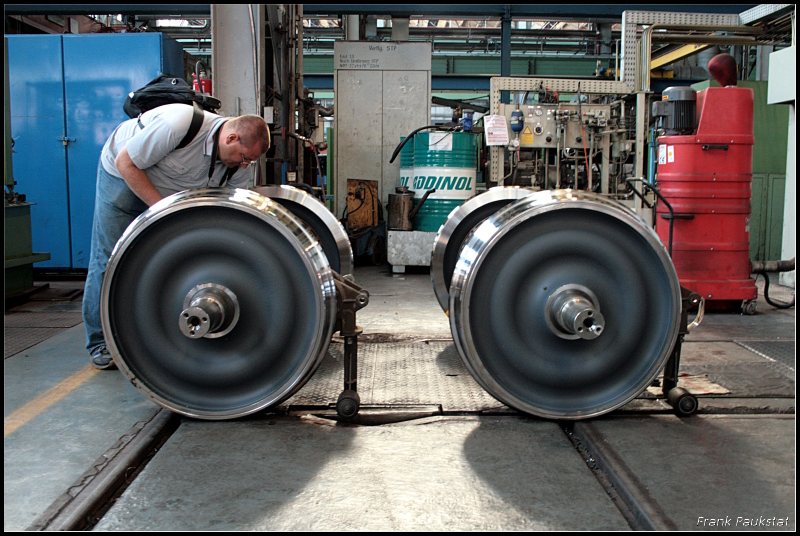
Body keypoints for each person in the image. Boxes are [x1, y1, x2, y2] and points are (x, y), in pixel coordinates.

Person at [82, 103, 271, 370]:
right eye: (243, 158)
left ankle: (148, 331)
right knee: (109, 258)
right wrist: (164, 213)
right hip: (124, 179)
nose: (244, 165)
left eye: (249, 161)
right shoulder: (179, 125)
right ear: (231, 138)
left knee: (168, 258)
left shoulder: (239, 165)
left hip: (168, 194)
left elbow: (232, 208)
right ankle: (100, 342)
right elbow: (125, 162)